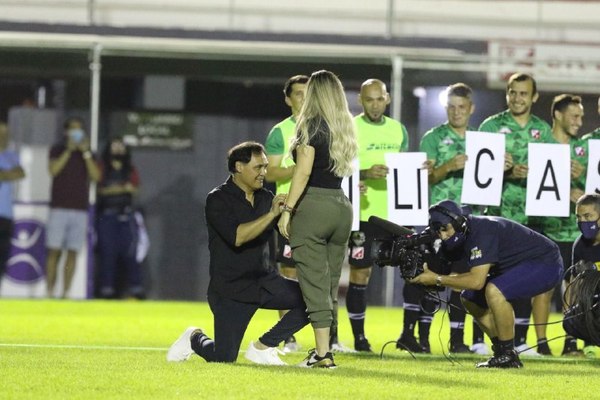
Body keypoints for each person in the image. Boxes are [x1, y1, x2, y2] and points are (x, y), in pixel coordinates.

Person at [167, 141, 309, 365]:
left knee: (316, 300)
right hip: (231, 289)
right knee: (224, 358)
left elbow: (287, 231)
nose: (264, 172)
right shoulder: (217, 199)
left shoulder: (265, 197)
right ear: (238, 167)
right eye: (258, 167)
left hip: (265, 281)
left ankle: (264, 346)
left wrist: (291, 214)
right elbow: (238, 237)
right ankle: (194, 338)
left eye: (265, 166)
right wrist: (272, 214)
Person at [410, 200, 563, 368]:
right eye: (438, 231)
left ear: (458, 222)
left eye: (445, 228)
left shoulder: (482, 231)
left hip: (546, 263)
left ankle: (507, 355)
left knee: (494, 290)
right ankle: (502, 351)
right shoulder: (462, 232)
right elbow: (446, 272)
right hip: (519, 266)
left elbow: (476, 281)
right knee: (469, 298)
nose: (443, 235)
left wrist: (436, 279)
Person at [278, 70, 358, 368]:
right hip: (341, 206)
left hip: (313, 205)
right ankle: (325, 348)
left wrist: (288, 210)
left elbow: (302, 172)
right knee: (330, 284)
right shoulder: (344, 127)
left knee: (313, 284)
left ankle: (323, 355)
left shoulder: (310, 126)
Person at [478, 72, 552, 356]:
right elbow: (478, 172)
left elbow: (550, 173)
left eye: (523, 93)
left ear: (533, 97)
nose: (517, 98)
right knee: (485, 278)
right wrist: (504, 171)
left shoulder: (543, 131)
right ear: (506, 94)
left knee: (522, 279)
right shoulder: (490, 126)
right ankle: (480, 341)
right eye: (512, 92)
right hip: (496, 215)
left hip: (529, 218)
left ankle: (520, 340)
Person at [419, 82, 490, 355]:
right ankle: (423, 338)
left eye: (462, 107)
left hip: (471, 219)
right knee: (432, 275)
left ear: (471, 108)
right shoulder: (433, 137)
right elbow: (423, 177)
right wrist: (448, 166)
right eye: (451, 107)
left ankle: (459, 340)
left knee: (465, 277)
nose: (457, 112)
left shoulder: (482, 140)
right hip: (439, 222)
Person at [346, 78, 409, 353]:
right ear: (360, 100)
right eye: (369, 99)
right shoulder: (349, 128)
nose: (375, 104)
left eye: (379, 98)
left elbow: (406, 169)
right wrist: (364, 173)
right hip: (363, 213)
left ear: (388, 99)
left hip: (394, 214)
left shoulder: (398, 130)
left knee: (414, 270)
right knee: (361, 274)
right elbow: (337, 169)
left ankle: (410, 336)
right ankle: (359, 338)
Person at [538, 94, 587, 356]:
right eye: (575, 116)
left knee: (574, 288)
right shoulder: (538, 144)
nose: (580, 122)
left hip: (573, 229)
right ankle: (540, 344)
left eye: (581, 116)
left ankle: (571, 341)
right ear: (557, 114)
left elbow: (592, 190)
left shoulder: (583, 149)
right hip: (544, 226)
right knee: (544, 286)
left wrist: (581, 192)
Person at [264, 74, 309, 353]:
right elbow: (270, 171)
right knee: (289, 271)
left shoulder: (324, 128)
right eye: (298, 94)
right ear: (288, 99)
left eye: (308, 93)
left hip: (319, 207)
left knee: (320, 273)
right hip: (291, 210)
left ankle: (331, 335)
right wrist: (300, 169)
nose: (304, 98)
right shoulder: (281, 132)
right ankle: (287, 335)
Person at [46, 117, 101, 298]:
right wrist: (69, 151)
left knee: (72, 252)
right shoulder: (58, 149)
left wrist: (85, 154)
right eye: (73, 129)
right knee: (54, 250)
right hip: (59, 207)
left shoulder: (88, 153)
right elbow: (53, 171)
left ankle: (66, 292)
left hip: (79, 209)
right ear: (66, 132)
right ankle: (50, 291)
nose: (76, 133)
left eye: (79, 129)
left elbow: (96, 176)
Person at [96, 138, 145, 299]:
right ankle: (107, 289)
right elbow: (100, 190)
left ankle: (135, 289)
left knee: (130, 253)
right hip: (107, 215)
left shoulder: (130, 168)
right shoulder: (102, 167)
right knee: (107, 253)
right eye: (114, 146)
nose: (117, 150)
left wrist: (115, 189)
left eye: (121, 146)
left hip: (126, 215)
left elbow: (135, 190)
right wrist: (122, 188)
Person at [570, 193, 600, 358]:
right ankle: (590, 344)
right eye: (579, 217)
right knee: (570, 320)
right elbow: (576, 283)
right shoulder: (580, 244)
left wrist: (595, 267)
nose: (582, 221)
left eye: (588, 216)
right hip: (595, 300)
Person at [0, 121, 26, 288]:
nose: (3, 136)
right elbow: (12, 173)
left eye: (5, 133)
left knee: (2, 254)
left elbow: (20, 173)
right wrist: (8, 173)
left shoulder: (11, 155)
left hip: (5, 214)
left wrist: (4, 174)